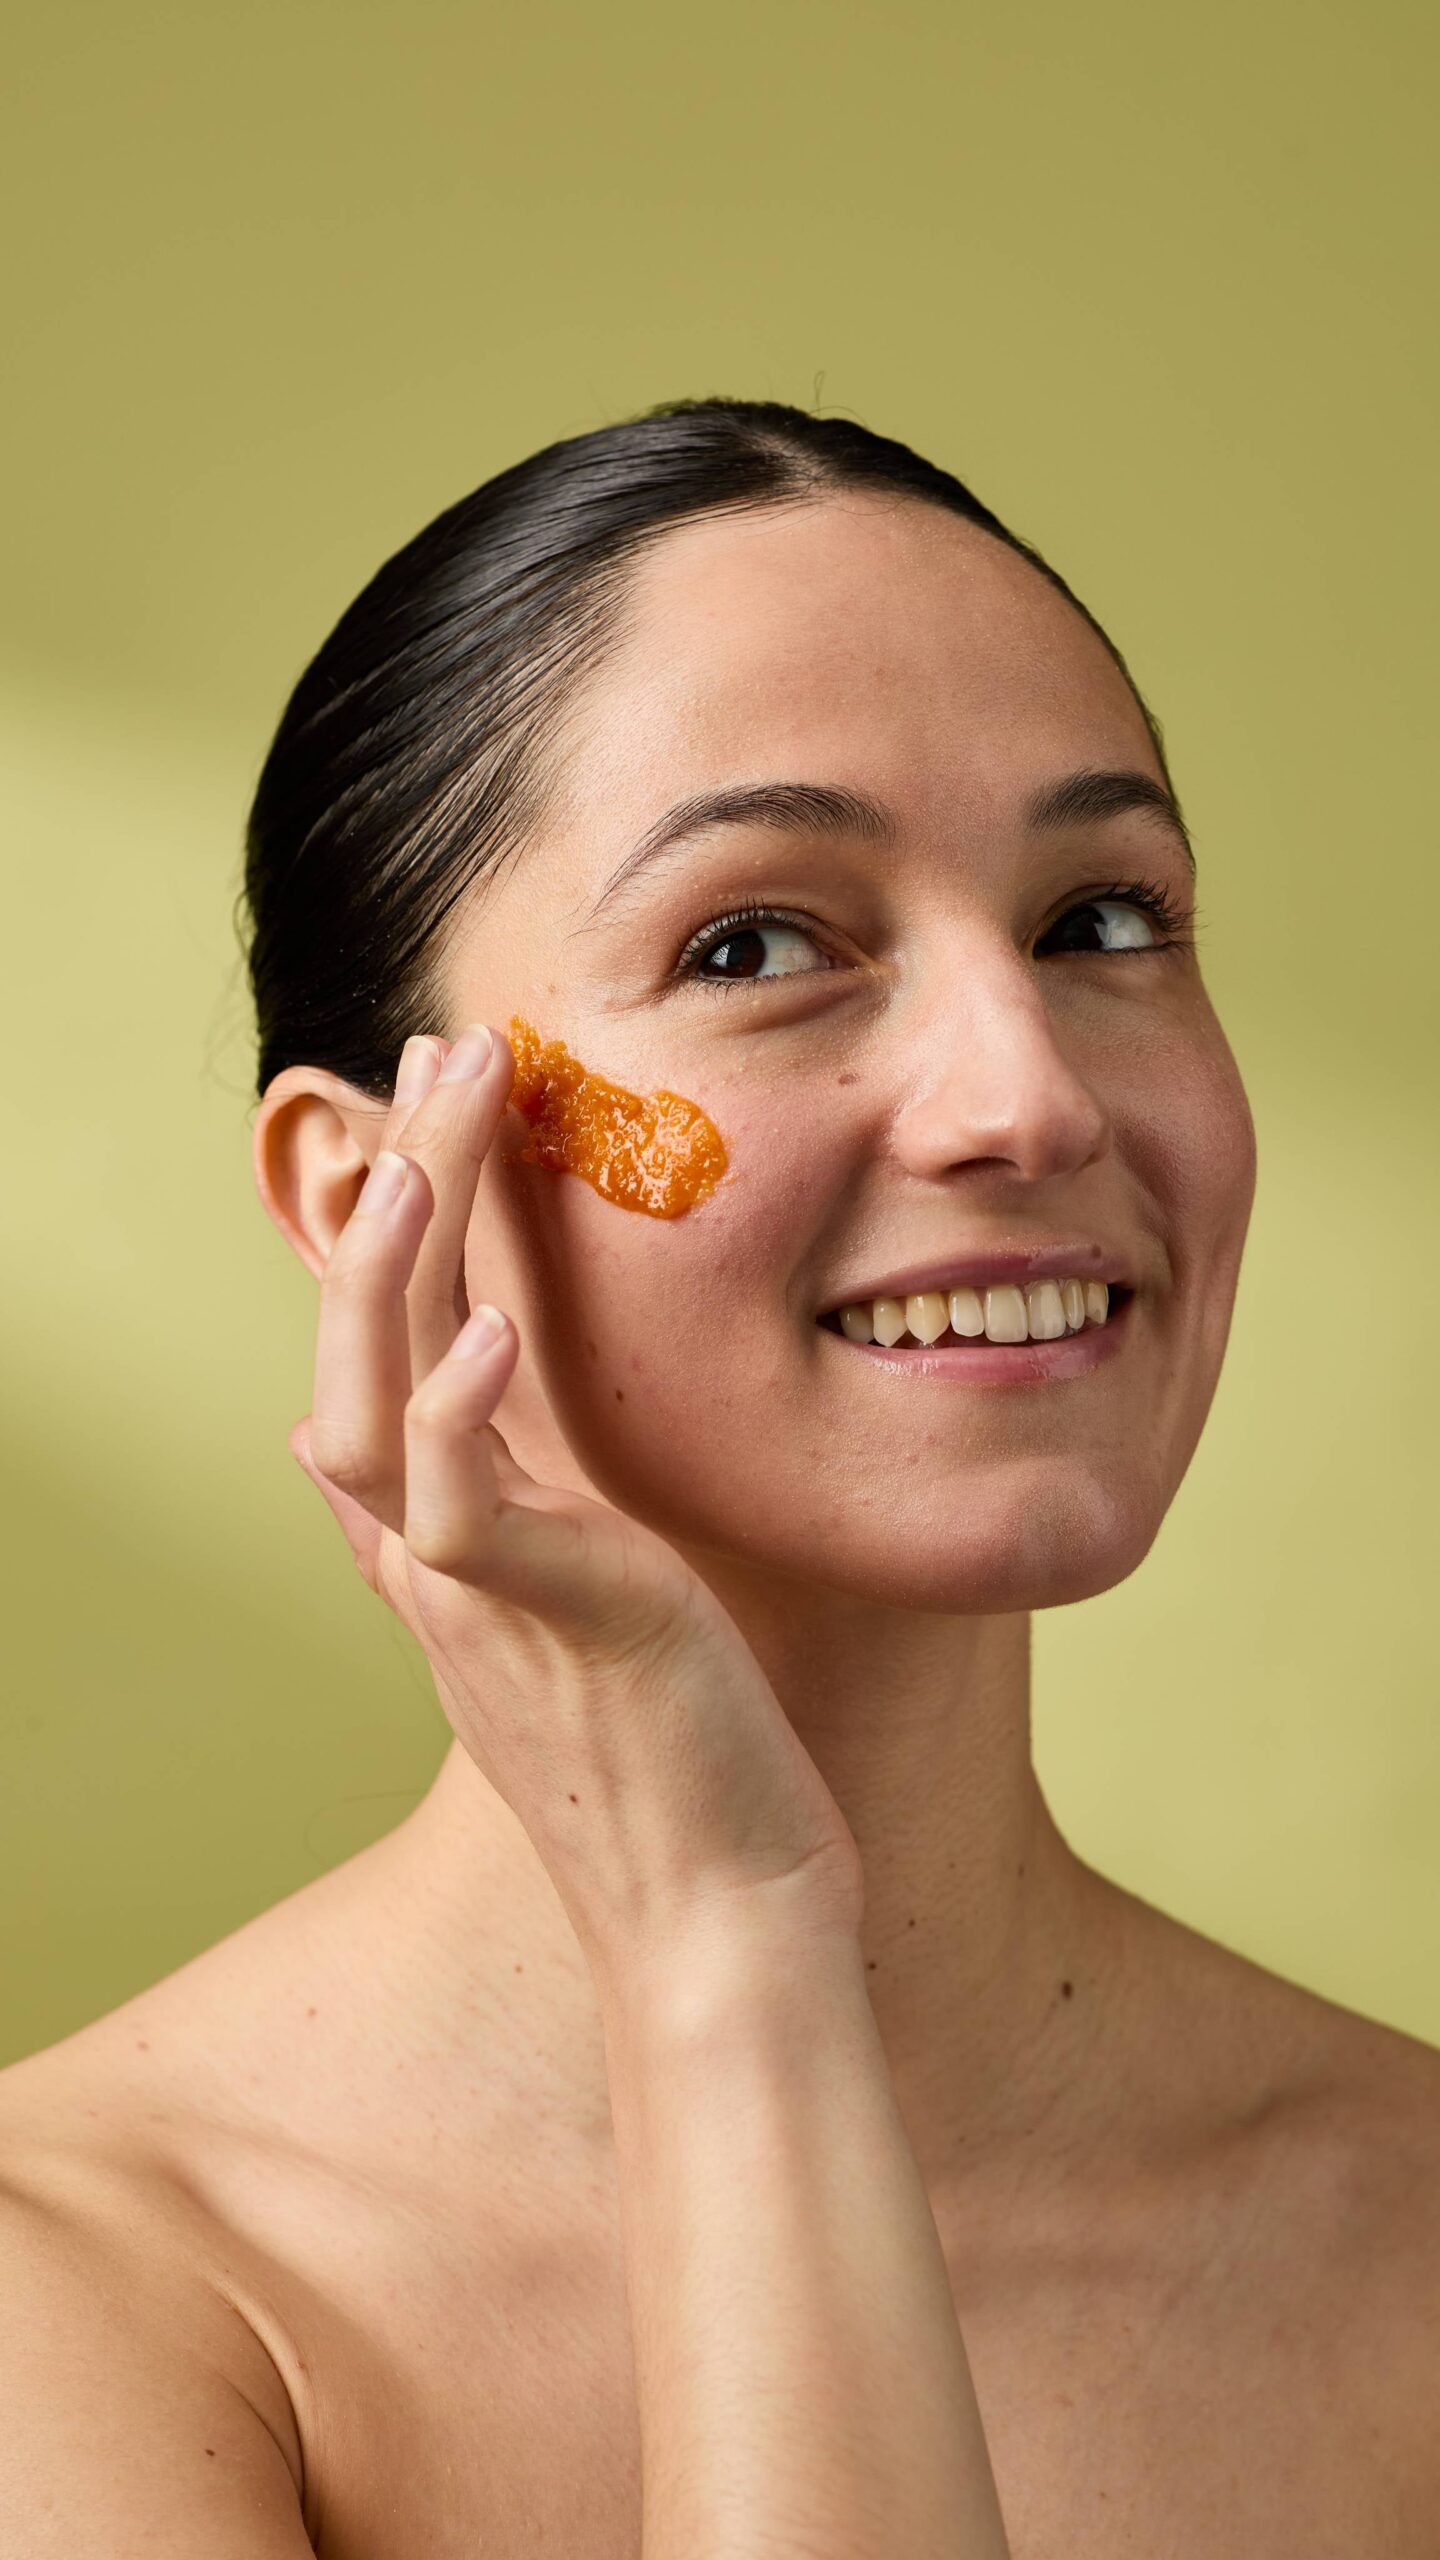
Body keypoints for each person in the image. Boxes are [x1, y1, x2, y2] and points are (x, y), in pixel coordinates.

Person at [3, 396, 1437, 2556]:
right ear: (377, 1192)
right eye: (754, 944)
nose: (1027, 1097)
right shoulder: (89, 2303)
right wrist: (728, 1953)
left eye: (1100, 919)